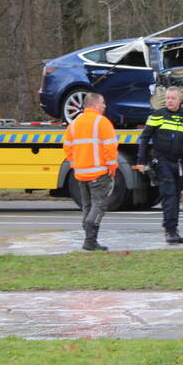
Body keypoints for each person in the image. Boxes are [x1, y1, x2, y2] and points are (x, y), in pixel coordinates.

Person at [136, 86, 183, 244]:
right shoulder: (158, 115)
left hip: (180, 163)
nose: (169, 101)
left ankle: (173, 228)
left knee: (176, 196)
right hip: (163, 162)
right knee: (169, 196)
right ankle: (170, 230)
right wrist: (141, 160)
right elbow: (145, 138)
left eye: (173, 98)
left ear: (180, 100)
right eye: (167, 98)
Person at [63, 92, 118, 251]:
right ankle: (90, 235)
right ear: (94, 105)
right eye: (102, 103)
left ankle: (89, 239)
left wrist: (75, 164)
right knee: (98, 206)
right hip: (99, 173)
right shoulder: (102, 122)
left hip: (81, 173)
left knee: (87, 205)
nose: (104, 106)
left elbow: (67, 147)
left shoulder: (74, 123)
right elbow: (110, 147)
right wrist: (112, 168)